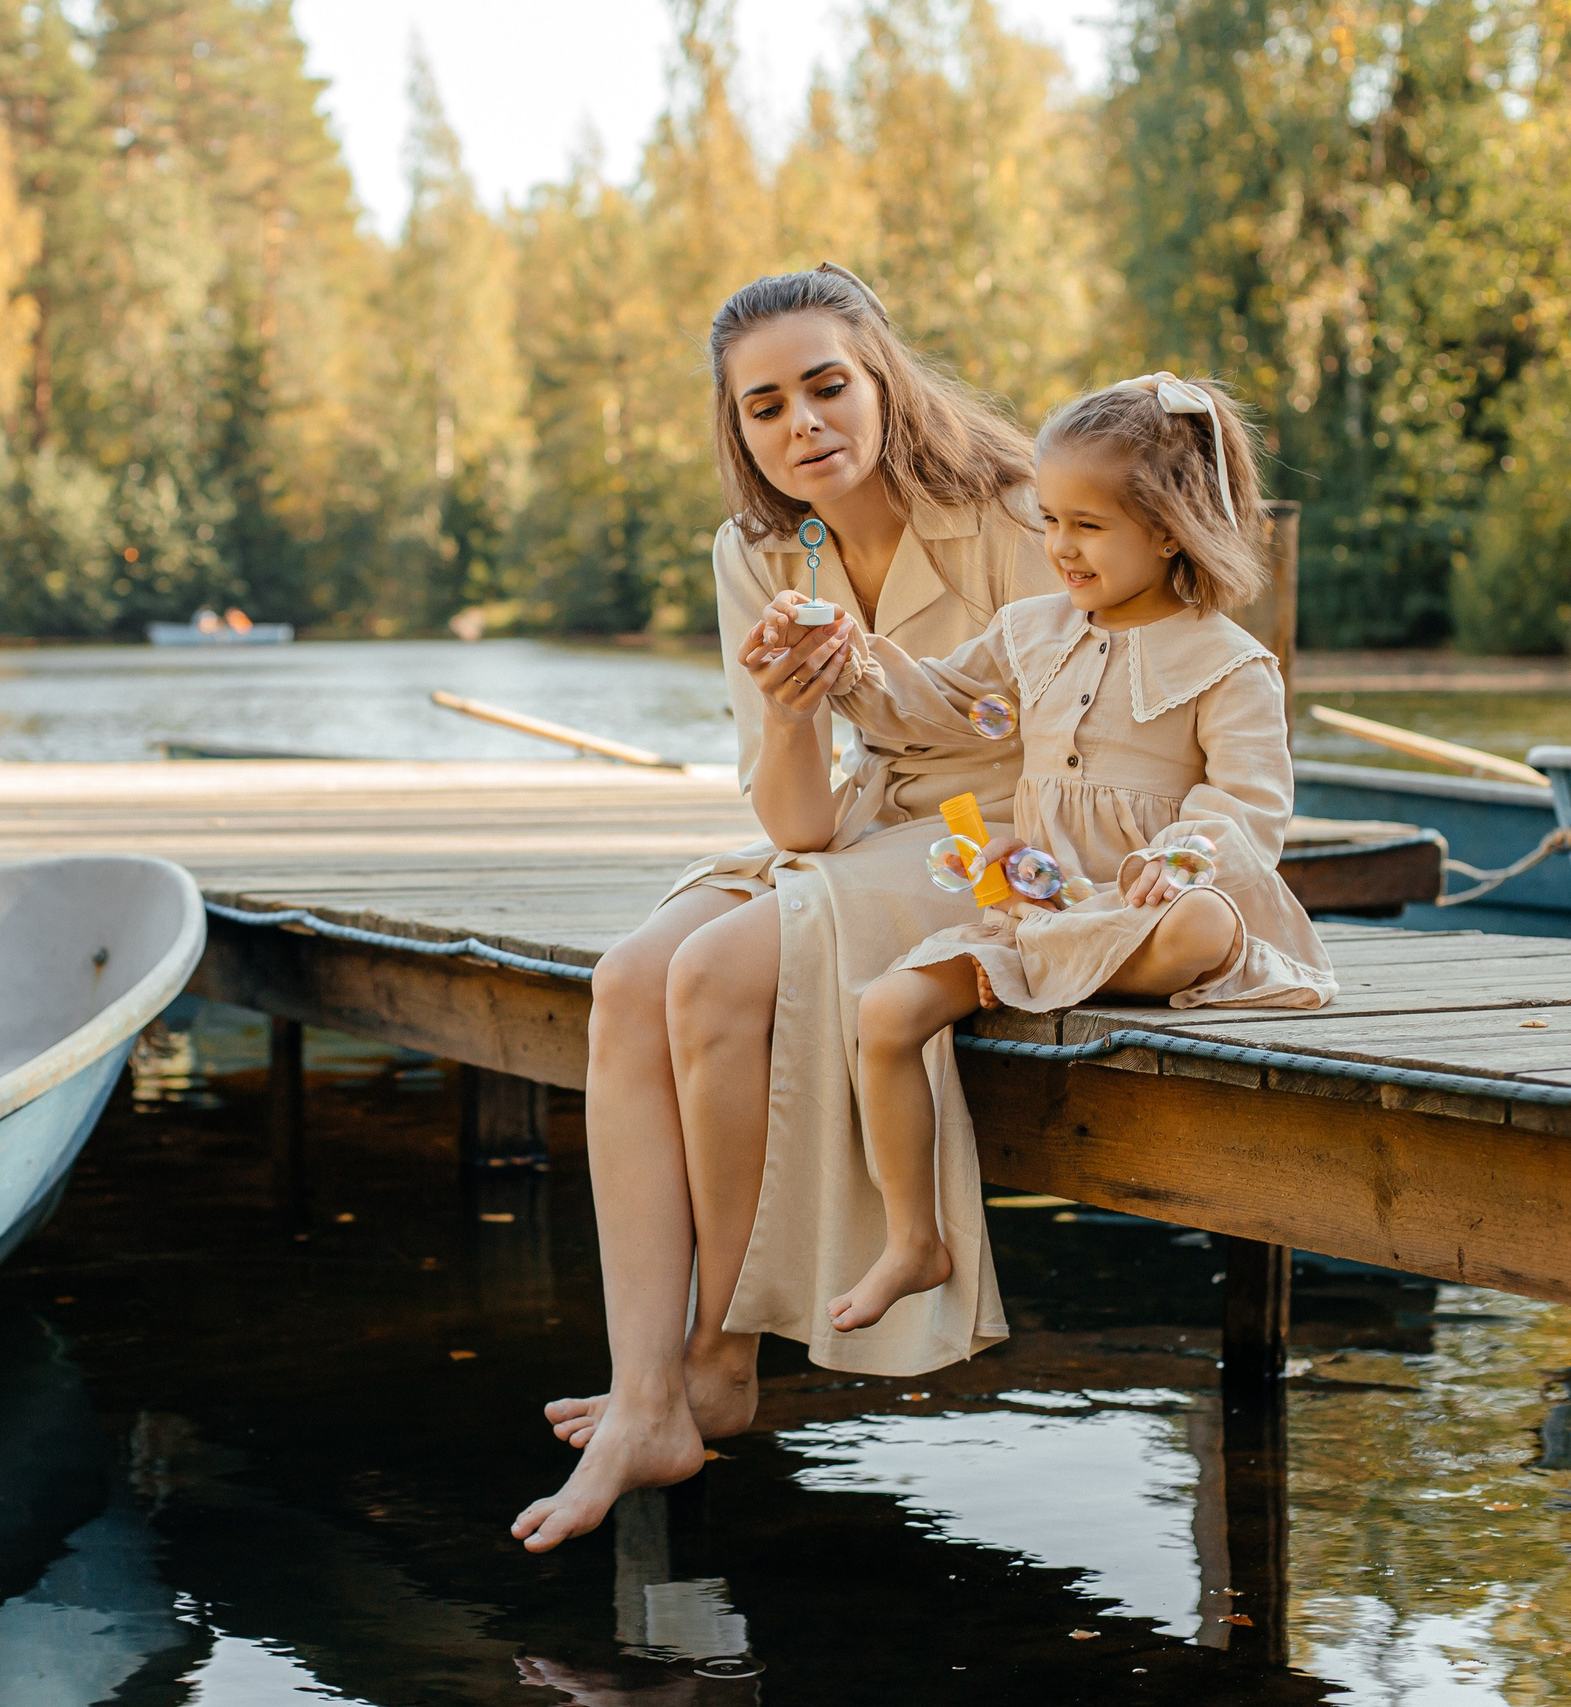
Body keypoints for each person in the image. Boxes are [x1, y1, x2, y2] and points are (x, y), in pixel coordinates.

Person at [510, 265, 1058, 1553]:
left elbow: (1047, 725)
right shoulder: (759, 550)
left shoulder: (1013, 511)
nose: (802, 425)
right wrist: (797, 704)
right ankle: (648, 1384)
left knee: (712, 976)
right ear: (738, 426)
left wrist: (870, 669)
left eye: (826, 386)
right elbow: (799, 825)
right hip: (872, 817)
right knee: (633, 976)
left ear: (881, 380)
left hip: (1016, 829)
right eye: (765, 406)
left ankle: (713, 1357)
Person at [808, 372, 1338, 1330]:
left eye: (1086, 526)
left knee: (1205, 920)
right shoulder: (1030, 633)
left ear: (1171, 528)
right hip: (1041, 913)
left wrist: (1178, 855)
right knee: (885, 1010)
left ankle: (1098, 963)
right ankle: (912, 1238)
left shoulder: (1228, 664)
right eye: (1050, 520)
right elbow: (933, 707)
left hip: (1145, 910)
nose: (1058, 547)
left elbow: (1249, 808)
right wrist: (853, 664)